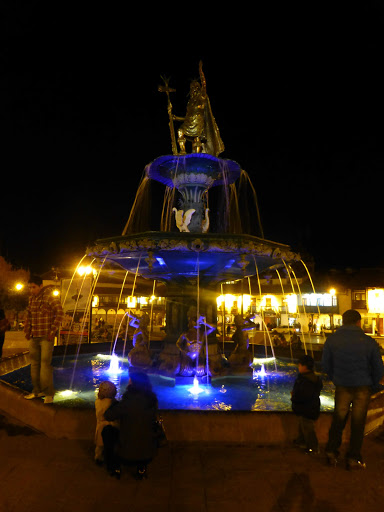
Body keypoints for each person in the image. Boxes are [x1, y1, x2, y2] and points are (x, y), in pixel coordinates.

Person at [322, 309, 384, 469]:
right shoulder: (369, 342)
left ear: (343, 322)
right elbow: (378, 368)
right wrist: (374, 384)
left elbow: (326, 365)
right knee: (358, 423)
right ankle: (353, 457)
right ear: (358, 322)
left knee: (339, 419)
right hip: (363, 386)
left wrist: (335, 378)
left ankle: (331, 452)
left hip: (342, 385)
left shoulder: (332, 340)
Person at [103, 371, 159, 479]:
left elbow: (108, 415)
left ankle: (115, 467)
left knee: (107, 431)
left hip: (126, 455)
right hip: (148, 454)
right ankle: (141, 468)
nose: (128, 381)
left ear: (133, 383)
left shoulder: (128, 401)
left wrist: (113, 403)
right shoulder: (152, 400)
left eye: (130, 379)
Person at [23, 275, 64, 404]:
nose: (31, 290)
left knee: (45, 365)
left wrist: (52, 331)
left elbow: (60, 313)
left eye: (33, 287)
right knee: (34, 365)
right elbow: (29, 315)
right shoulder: (31, 299)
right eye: (29, 287)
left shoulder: (50, 296)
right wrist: (28, 330)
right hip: (34, 336)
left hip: (46, 337)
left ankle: (48, 393)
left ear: (40, 286)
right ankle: (37, 391)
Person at [291, 355, 323, 454]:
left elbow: (304, 395)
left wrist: (294, 396)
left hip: (307, 409)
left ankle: (313, 447)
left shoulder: (307, 381)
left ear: (304, 367)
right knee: (303, 426)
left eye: (299, 365)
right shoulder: (309, 378)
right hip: (308, 408)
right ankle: (301, 441)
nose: (298, 367)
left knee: (308, 429)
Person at [94, 381, 119, 465]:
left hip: (100, 425)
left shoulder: (98, 402)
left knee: (99, 445)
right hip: (111, 426)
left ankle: (98, 458)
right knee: (111, 444)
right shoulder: (112, 403)